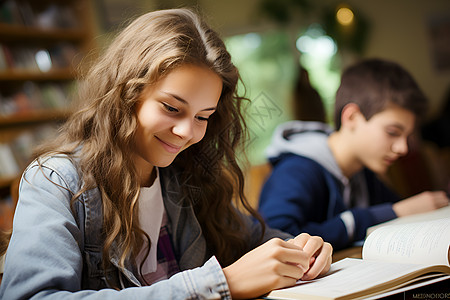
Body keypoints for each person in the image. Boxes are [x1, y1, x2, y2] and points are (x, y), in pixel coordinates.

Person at [0, 8, 332, 300]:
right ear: (126, 94)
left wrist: (304, 250)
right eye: (172, 108)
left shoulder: (186, 174)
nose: (188, 132)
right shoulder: (56, 180)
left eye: (203, 116)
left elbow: (256, 238)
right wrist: (222, 283)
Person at [258, 58, 449, 251]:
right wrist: (392, 212)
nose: (402, 148)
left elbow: (397, 208)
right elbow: (276, 241)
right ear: (351, 117)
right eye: (392, 132)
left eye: (407, 136)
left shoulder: (362, 170)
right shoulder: (296, 170)